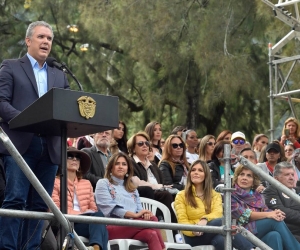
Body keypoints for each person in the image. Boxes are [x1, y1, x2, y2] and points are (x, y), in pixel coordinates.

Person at [0, 21, 70, 249]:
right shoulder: (11, 67)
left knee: (40, 206)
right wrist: (26, 119)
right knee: (16, 200)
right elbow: (1, 102)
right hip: (21, 143)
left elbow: (67, 108)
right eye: (41, 37)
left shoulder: (59, 75)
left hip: (49, 146)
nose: (46, 42)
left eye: (49, 39)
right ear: (28, 41)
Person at [174, 160, 255, 250]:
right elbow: (182, 221)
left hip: (211, 231)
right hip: (192, 236)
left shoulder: (214, 195)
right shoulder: (181, 195)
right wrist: (194, 230)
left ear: (206, 175)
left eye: (200, 170)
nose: (196, 172)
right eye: (193, 170)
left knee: (222, 240)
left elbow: (217, 213)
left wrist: (204, 219)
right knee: (223, 221)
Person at [95, 152, 165, 250]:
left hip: (133, 227)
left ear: (128, 169)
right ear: (111, 167)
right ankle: (164, 248)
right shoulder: (103, 183)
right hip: (111, 227)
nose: (120, 167)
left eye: (124, 164)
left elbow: (140, 210)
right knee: (153, 220)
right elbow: (110, 208)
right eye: (117, 163)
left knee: (151, 233)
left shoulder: (132, 188)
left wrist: (145, 214)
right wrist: (135, 215)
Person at [231, 164, 300, 249]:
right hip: (240, 232)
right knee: (275, 221)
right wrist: (269, 214)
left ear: (254, 180)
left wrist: (275, 213)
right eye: (241, 174)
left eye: (249, 176)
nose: (244, 178)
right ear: (237, 177)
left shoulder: (258, 195)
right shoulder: (231, 195)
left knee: (274, 235)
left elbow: (266, 210)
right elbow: (244, 216)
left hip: (257, 231)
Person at [52, 147, 108, 250]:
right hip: (66, 224)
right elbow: (55, 209)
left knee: (99, 218)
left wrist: (87, 214)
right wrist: (83, 214)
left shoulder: (86, 183)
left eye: (77, 158)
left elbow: (93, 209)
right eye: (70, 156)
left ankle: (95, 247)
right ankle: (96, 247)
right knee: (101, 226)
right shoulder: (55, 182)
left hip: (85, 223)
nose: (74, 159)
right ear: (62, 162)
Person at [127, 131, 176, 222]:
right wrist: (159, 187)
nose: (145, 146)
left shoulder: (154, 166)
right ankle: (172, 228)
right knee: (165, 195)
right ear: (133, 148)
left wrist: (163, 187)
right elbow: (136, 182)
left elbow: (162, 183)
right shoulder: (129, 163)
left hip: (158, 195)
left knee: (175, 193)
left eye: (147, 143)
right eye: (140, 144)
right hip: (141, 197)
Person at [263, 162, 300, 242]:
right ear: (276, 179)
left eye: (292, 175)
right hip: (290, 232)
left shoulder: (298, 190)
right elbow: (281, 211)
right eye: (287, 175)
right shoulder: (270, 191)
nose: (291, 178)